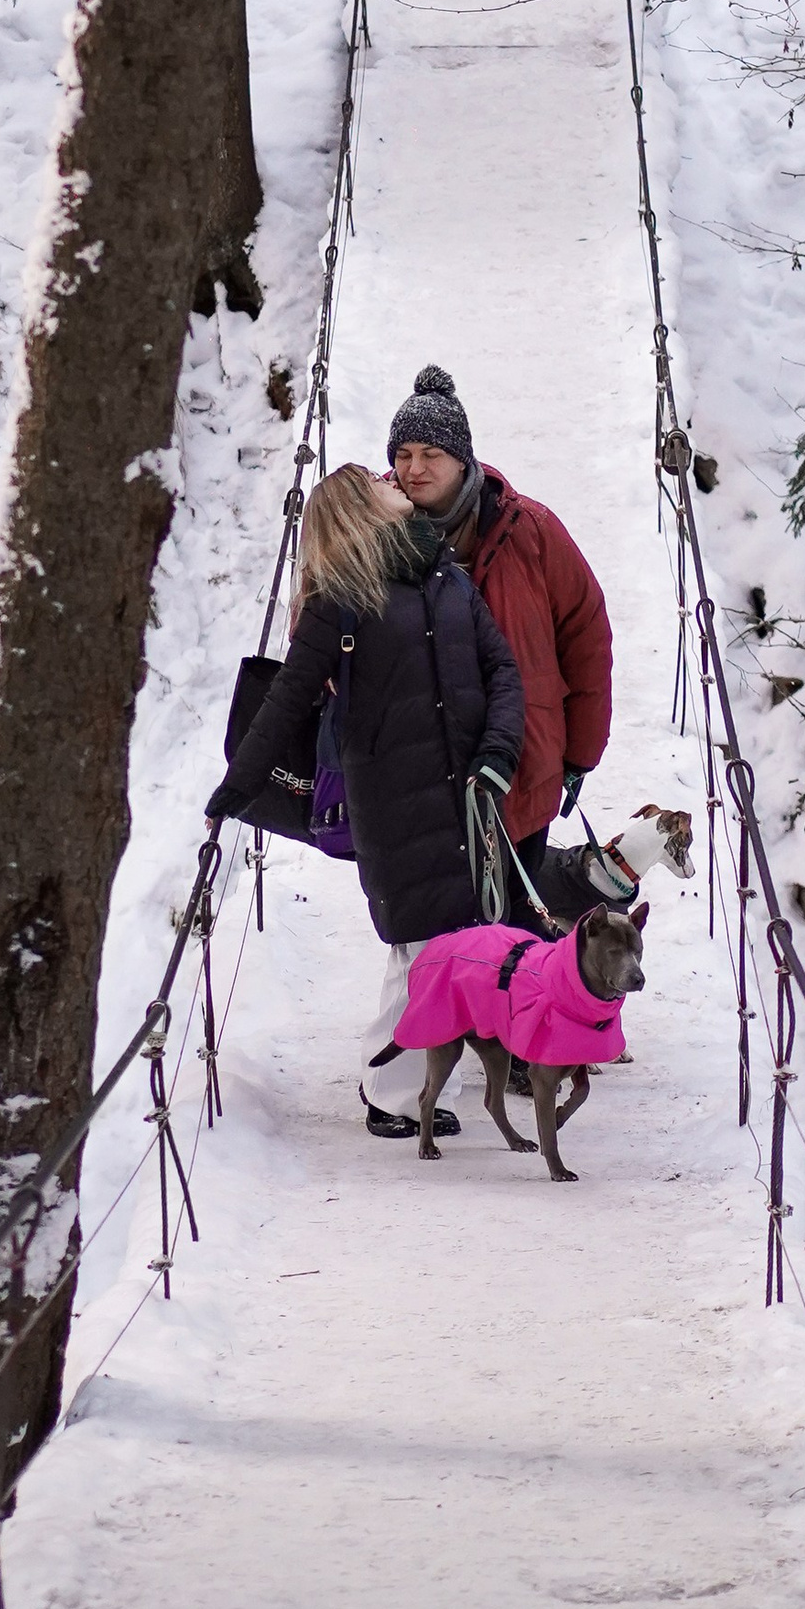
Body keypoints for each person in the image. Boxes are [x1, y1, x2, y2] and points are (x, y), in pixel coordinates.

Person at [207, 464, 524, 1139]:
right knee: (421, 949)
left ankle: (426, 1087)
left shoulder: (448, 577)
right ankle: (391, 1091)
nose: (393, 478)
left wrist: (498, 752)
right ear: (357, 507)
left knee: (459, 944)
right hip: (392, 797)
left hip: (465, 794)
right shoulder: (339, 598)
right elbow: (288, 695)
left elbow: (501, 669)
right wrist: (237, 787)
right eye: (375, 480)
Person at [385, 364, 612, 916]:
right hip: (413, 776)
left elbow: (586, 636)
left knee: (509, 920)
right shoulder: (370, 529)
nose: (413, 470)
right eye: (403, 454)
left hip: (522, 772)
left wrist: (580, 754)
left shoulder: (529, 530)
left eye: (430, 455)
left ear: (462, 459)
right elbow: (316, 619)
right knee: (432, 936)